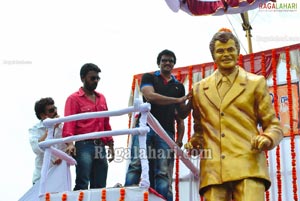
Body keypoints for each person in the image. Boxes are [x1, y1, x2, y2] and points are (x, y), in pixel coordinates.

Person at [184, 28, 284, 201]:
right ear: (213, 56)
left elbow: (273, 125)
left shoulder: (255, 83)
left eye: (230, 49)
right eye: (220, 51)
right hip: (213, 171)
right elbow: (200, 130)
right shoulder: (199, 89)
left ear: (238, 52)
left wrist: (268, 137)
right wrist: (194, 143)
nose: (226, 54)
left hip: (248, 164)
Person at [125, 49, 189, 201]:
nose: (167, 63)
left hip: (166, 132)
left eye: (170, 60)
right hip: (145, 128)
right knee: (136, 163)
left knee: (162, 170)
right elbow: (150, 96)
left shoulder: (179, 87)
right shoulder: (149, 77)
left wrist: (192, 100)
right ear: (159, 63)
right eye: (164, 60)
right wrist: (177, 100)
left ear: (174, 64)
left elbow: (181, 115)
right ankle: (127, 196)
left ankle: (162, 199)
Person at [62, 63, 115, 190]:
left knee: (100, 185)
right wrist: (69, 143)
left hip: (100, 146)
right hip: (84, 145)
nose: (96, 81)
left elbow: (106, 122)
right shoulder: (73, 99)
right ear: (82, 78)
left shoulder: (101, 98)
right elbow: (69, 123)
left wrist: (111, 144)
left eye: (98, 78)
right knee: (82, 182)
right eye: (92, 78)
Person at [29, 97, 65, 185]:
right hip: (41, 178)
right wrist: (51, 128)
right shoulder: (34, 129)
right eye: (51, 110)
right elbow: (36, 148)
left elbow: (68, 147)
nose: (55, 112)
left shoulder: (62, 127)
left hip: (60, 178)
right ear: (42, 115)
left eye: (55, 108)